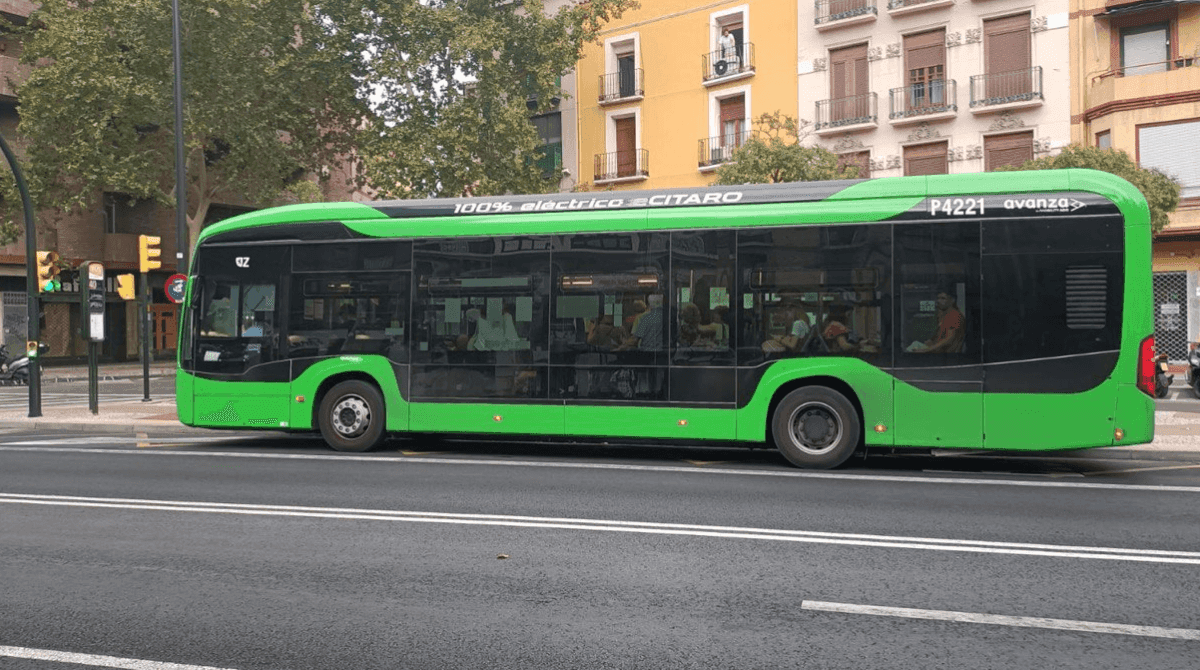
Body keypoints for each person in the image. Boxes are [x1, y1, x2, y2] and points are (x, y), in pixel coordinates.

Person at [912, 288, 965, 354]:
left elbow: (948, 339)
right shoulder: (944, 314)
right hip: (937, 351)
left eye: (943, 298)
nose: (939, 301)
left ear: (952, 300)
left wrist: (927, 350)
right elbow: (939, 335)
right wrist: (930, 341)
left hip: (945, 355)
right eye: (938, 298)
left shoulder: (955, 315)